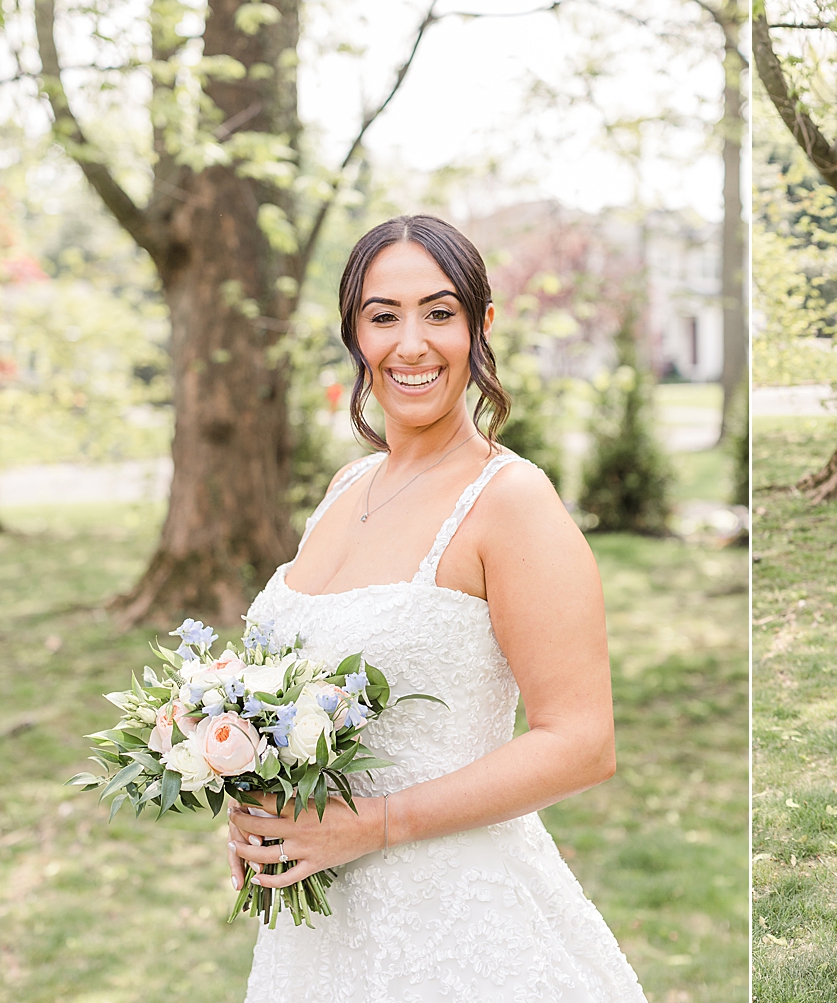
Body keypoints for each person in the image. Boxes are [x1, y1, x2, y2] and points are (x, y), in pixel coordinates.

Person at [227, 215, 647, 1002]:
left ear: (482, 326)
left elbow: (584, 742)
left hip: (456, 928)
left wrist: (372, 823)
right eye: (383, 315)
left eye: (439, 312)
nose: (411, 343)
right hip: (317, 934)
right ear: (354, 334)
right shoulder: (343, 490)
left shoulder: (510, 501)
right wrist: (258, 798)